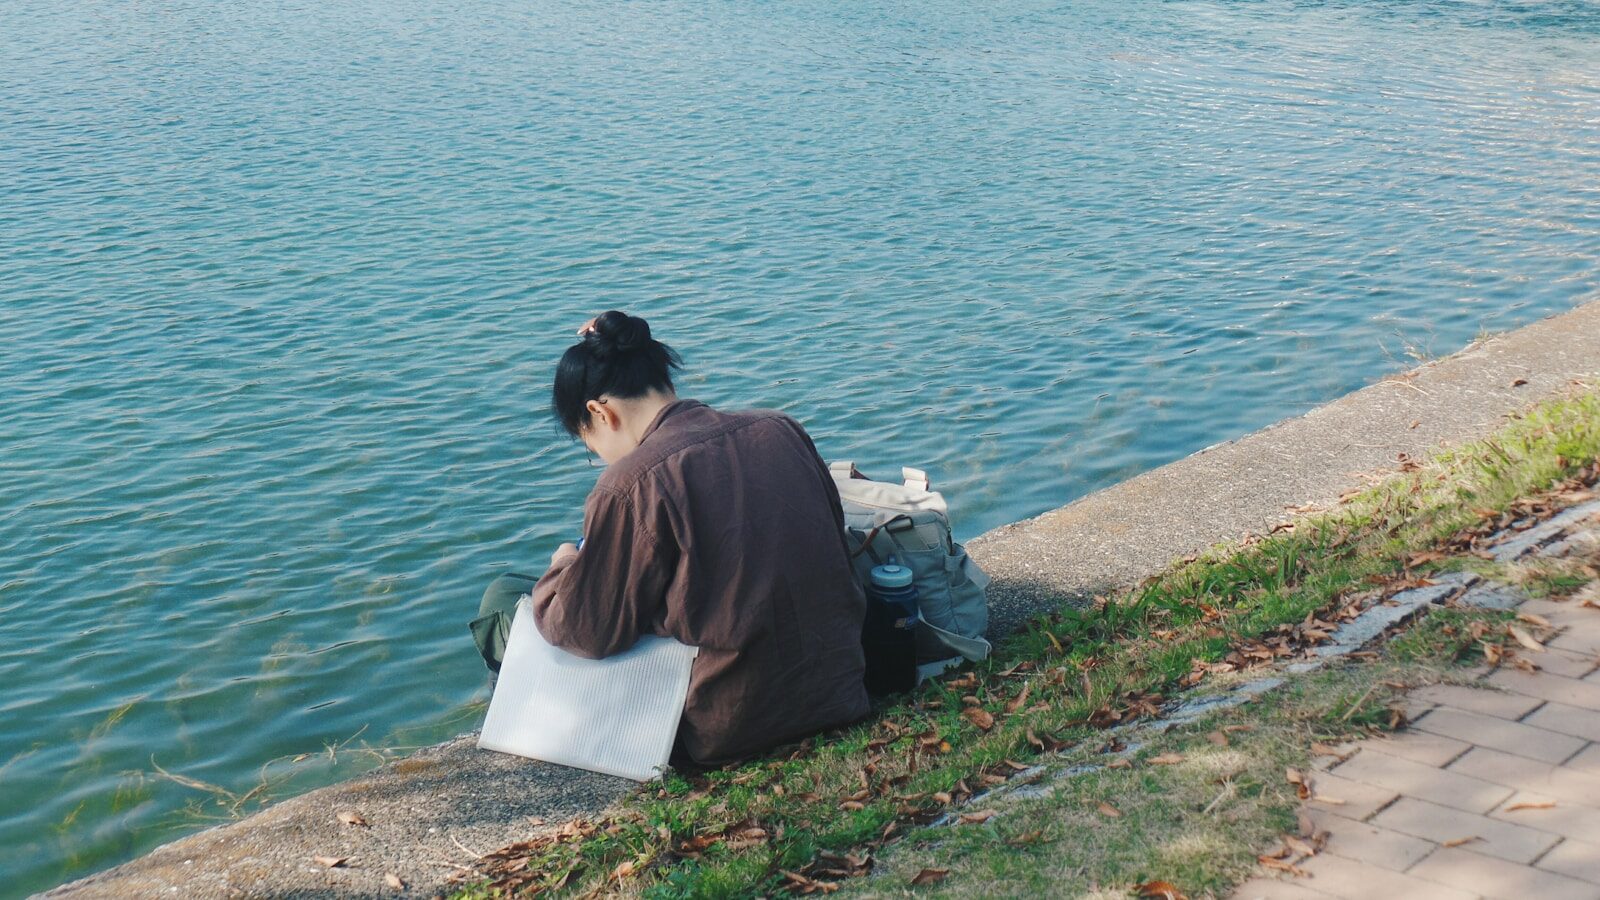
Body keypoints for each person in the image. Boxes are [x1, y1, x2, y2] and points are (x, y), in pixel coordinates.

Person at [470, 311, 869, 766]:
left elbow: (585, 631)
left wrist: (563, 565)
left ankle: (513, 736)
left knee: (505, 596)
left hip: (730, 725)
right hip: (837, 690)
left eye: (590, 445)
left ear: (600, 412)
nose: (601, 459)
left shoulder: (630, 483)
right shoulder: (781, 429)